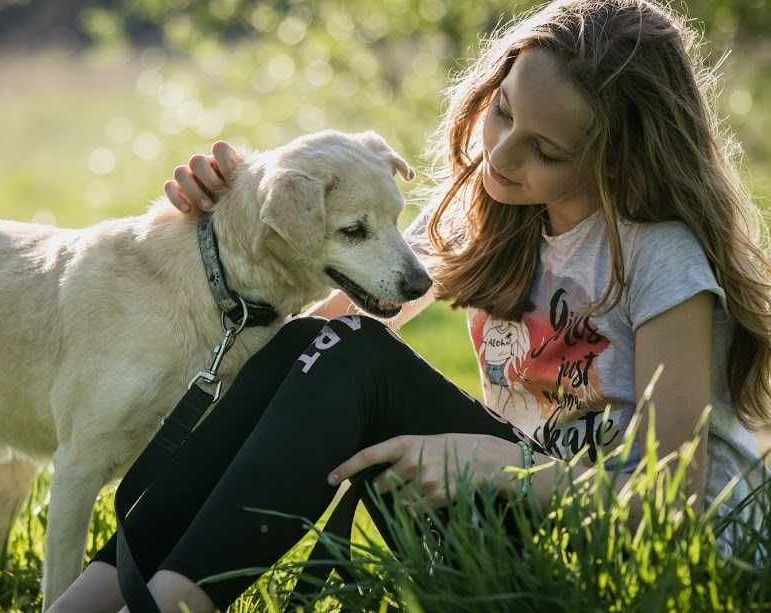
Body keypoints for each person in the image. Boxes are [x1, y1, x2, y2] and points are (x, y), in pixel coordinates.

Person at [49, 0, 771, 611]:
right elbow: (306, 347)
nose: (500, 155)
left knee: (355, 358)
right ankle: (90, 598)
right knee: (314, 342)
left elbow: (668, 499)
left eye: (543, 149)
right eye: (501, 111)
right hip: (509, 520)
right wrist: (237, 206)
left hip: (647, 560)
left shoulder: (660, 259)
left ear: (617, 159)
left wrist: (490, 462)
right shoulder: (490, 221)